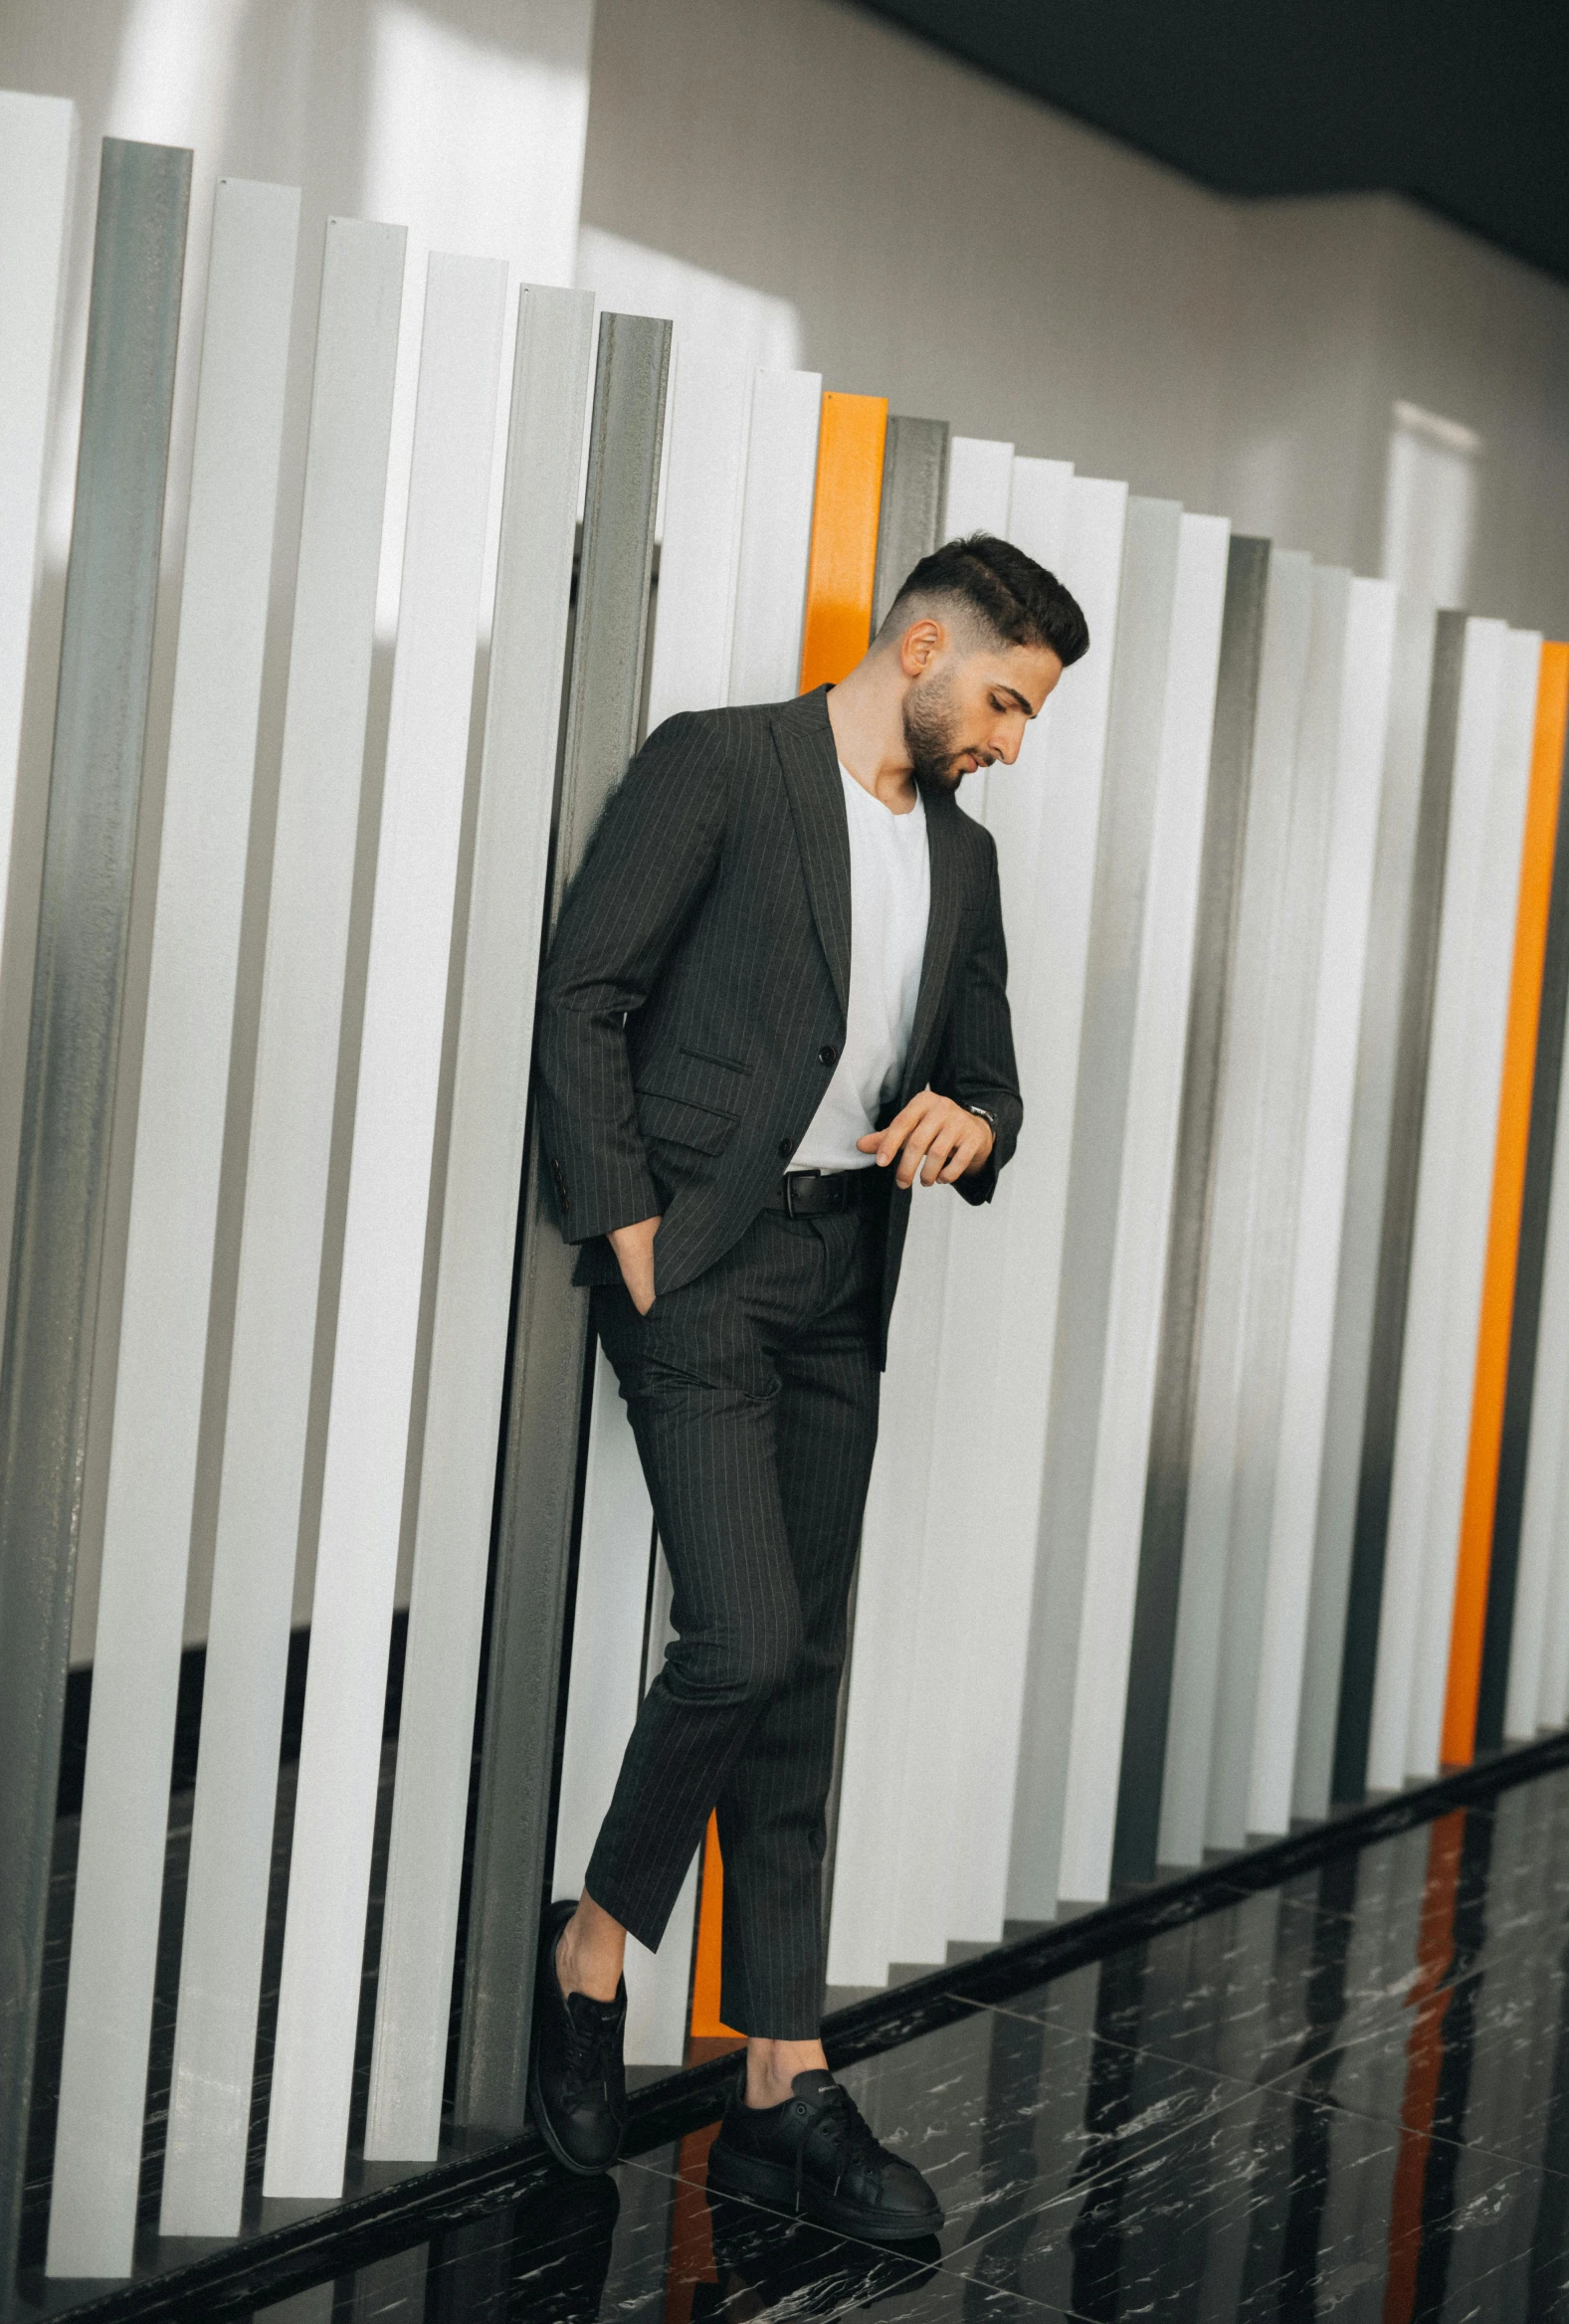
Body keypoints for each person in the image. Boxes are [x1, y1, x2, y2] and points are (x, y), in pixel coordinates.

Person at [529, 532, 1089, 2237]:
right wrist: (626, 1222)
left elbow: (985, 1070)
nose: (1006, 741)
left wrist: (972, 1121)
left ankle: (781, 2082)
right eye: (1001, 700)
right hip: (698, 1264)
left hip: (843, 1282)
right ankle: (595, 1944)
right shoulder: (721, 764)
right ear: (920, 643)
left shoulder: (967, 865)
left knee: (802, 1677)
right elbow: (587, 991)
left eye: (1026, 720)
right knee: (745, 1637)